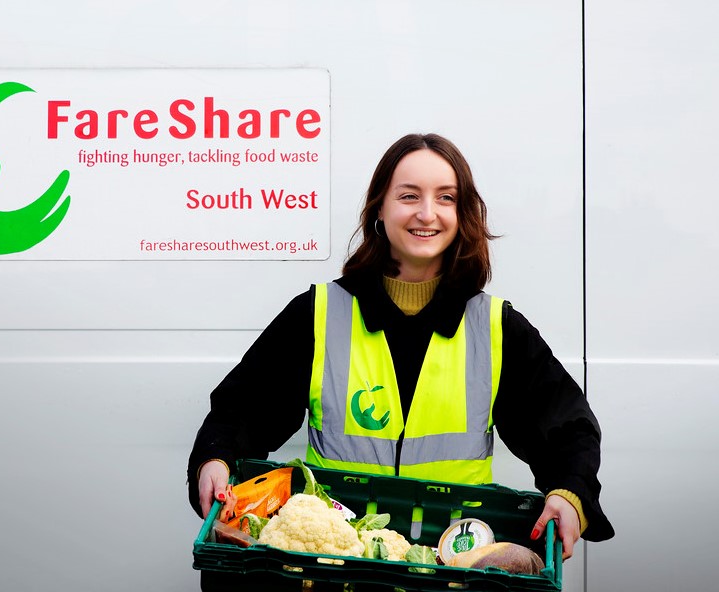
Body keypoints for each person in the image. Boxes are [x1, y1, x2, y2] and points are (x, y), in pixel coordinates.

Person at [187, 133, 614, 586]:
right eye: (409, 196)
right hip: (335, 570)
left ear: (462, 214)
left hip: (451, 571)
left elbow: (567, 429)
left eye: (445, 198)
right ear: (379, 209)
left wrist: (570, 494)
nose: (427, 213)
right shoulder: (318, 315)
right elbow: (240, 411)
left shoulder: (495, 327)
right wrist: (216, 459)